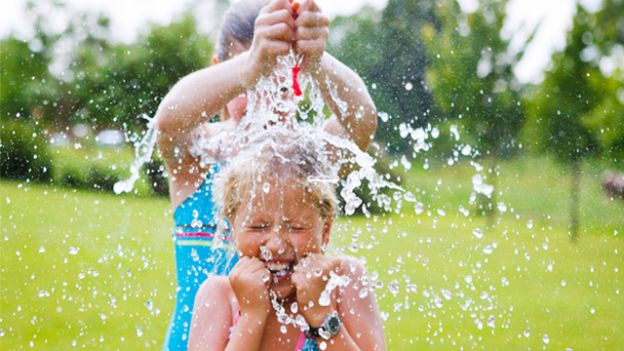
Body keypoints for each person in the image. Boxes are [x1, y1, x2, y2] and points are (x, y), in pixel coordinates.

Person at [153, 0, 378, 349]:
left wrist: (317, 61)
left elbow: (361, 123)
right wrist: (253, 63)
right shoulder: (200, 158)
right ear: (221, 73)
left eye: (277, 81)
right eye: (250, 82)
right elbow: (168, 120)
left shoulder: (307, 163)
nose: (263, 99)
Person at [188, 134, 386, 351]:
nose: (275, 245)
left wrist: (321, 315)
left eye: (297, 227)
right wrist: (252, 316)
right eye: (257, 227)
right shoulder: (219, 296)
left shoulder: (343, 282)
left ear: (326, 230)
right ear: (233, 226)